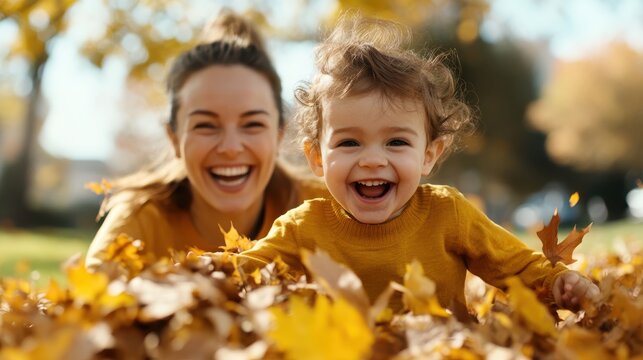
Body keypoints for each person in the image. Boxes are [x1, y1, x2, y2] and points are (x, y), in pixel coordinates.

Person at [239, 15, 600, 312]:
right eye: (349, 142)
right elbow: (239, 275)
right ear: (317, 157)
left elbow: (518, 267)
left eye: (396, 142)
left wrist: (558, 283)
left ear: (429, 154)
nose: (372, 160)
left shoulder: (449, 214)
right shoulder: (302, 228)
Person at [86, 9, 326, 267]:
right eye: (206, 126)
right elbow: (93, 293)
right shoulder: (140, 220)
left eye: (253, 124)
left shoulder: (325, 212)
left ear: (279, 135)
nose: (231, 148)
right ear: (174, 138)